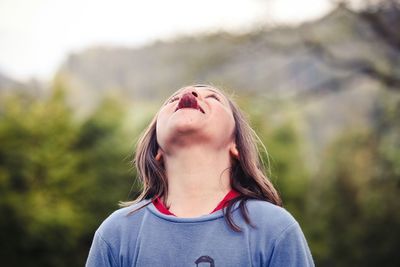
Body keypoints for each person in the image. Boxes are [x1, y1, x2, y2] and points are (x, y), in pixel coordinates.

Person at [86, 84, 315, 267]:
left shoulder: (274, 229)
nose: (190, 94)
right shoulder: (117, 233)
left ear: (235, 143)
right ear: (157, 150)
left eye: (213, 98)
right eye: (172, 101)